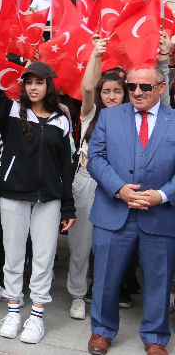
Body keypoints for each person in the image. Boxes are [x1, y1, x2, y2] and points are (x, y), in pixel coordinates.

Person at [0, 60, 76, 345]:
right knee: (13, 256)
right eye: (29, 82)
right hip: (14, 195)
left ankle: (37, 317)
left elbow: (66, 167)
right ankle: (13, 311)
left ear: (49, 85)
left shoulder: (62, 120)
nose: (33, 87)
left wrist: (68, 207)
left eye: (39, 82)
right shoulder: (13, 110)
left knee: (43, 259)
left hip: (49, 200)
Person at [87, 66, 175, 355]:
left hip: (160, 214)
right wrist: (119, 188)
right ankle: (101, 331)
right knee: (105, 277)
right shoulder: (110, 116)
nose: (137, 91)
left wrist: (162, 195)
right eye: (132, 85)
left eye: (145, 87)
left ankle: (155, 337)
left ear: (161, 88)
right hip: (114, 211)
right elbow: (96, 158)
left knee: (159, 280)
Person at [65, 36, 130, 321]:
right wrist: (96, 54)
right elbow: (87, 87)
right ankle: (78, 295)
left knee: (110, 246)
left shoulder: (132, 118)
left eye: (118, 91)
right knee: (81, 245)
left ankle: (103, 294)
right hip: (86, 181)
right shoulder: (92, 115)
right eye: (107, 91)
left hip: (117, 186)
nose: (112, 96)